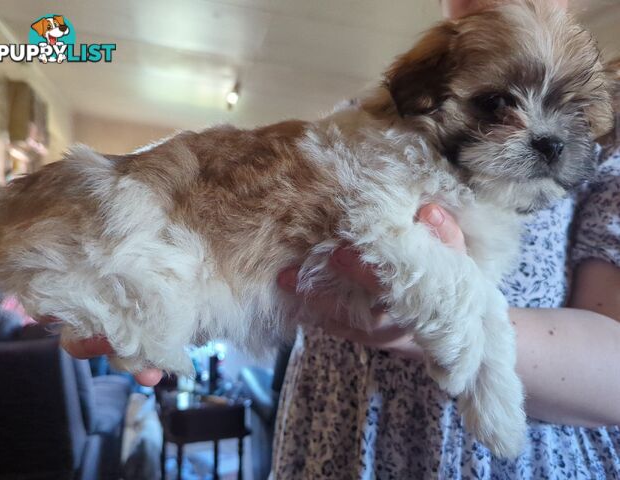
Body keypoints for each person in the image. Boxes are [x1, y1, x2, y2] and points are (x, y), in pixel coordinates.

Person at [61, 0, 620, 477]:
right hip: (331, 430)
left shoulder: (606, 163)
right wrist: (177, 278)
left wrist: (453, 327)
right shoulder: (367, 117)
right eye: (496, 104)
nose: (541, 132)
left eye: (572, 115)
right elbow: (271, 241)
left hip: (507, 456)